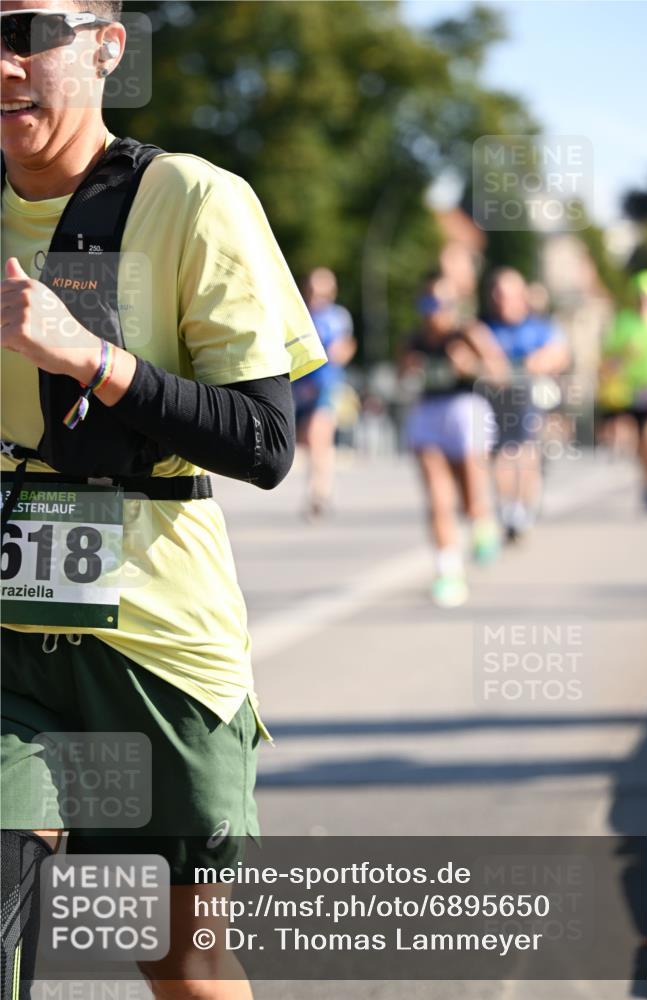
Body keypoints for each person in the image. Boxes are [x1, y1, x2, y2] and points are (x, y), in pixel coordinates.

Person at [0, 3, 325, 998]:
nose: (2, 63)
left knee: (185, 965)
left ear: (108, 46)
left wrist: (91, 359)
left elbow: (266, 443)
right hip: (8, 640)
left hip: (153, 645)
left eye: (25, 31)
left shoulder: (189, 197)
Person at [401, 275, 508, 608]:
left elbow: (500, 375)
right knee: (437, 500)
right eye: (427, 304)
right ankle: (448, 572)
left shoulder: (468, 333)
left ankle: (483, 523)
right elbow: (400, 378)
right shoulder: (413, 340)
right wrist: (408, 372)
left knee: (472, 498)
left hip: (466, 413)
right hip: (429, 415)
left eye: (441, 304)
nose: (434, 312)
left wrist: (471, 366)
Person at [485, 267, 570, 543]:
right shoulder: (486, 327)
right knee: (500, 455)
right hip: (495, 401)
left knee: (524, 450)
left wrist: (540, 362)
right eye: (498, 295)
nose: (503, 301)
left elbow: (559, 354)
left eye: (508, 295)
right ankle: (508, 507)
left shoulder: (539, 327)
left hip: (529, 399)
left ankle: (523, 507)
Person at [597, 269, 647, 512]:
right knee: (646, 439)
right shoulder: (623, 322)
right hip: (636, 390)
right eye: (641, 297)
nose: (645, 302)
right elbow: (608, 360)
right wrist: (623, 357)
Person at [292, 266, 356, 518]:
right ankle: (321, 487)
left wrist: (340, 354)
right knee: (308, 439)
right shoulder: (300, 314)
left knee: (319, 433)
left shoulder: (337, 317)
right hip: (301, 386)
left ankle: (318, 492)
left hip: (326, 384)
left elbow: (345, 346)